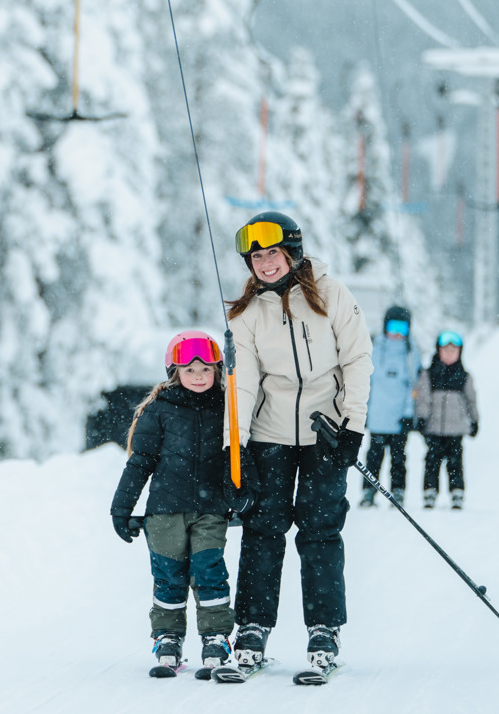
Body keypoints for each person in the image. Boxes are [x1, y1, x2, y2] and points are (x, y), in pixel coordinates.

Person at [224, 212, 373, 674]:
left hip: (325, 433)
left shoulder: (331, 295)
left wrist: (353, 427)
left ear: (292, 251)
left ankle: (323, 630)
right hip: (269, 435)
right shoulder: (246, 315)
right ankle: (251, 627)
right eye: (256, 257)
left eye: (272, 253)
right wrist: (237, 446)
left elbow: (358, 359)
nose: (265, 264)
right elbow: (243, 382)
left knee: (320, 530)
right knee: (263, 530)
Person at [109, 331, 238, 673]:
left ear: (218, 371)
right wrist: (121, 508)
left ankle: (216, 637)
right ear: (174, 372)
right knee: (169, 576)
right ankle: (167, 637)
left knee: (209, 571)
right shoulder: (159, 409)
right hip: (165, 511)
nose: (199, 376)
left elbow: (237, 456)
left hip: (211, 509)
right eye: (190, 369)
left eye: (206, 370)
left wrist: (241, 494)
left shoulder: (228, 407)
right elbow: (140, 462)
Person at [360, 305, 419, 508]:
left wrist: (409, 414)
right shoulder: (374, 348)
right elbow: (366, 381)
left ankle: (398, 492)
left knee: (398, 458)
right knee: (374, 457)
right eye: (392, 327)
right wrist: (363, 410)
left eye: (401, 329)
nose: (396, 333)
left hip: (398, 417)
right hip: (378, 415)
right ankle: (369, 492)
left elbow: (414, 387)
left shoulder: (411, 354)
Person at [414, 330, 479, 510]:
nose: (449, 355)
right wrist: (421, 418)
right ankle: (430, 491)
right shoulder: (430, 374)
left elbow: (471, 401)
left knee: (455, 462)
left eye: (454, 351)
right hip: (434, 428)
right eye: (445, 350)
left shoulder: (463, 376)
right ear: (438, 351)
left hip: (456, 429)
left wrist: (474, 420)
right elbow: (423, 398)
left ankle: (457, 492)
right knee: (431, 461)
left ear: (460, 353)